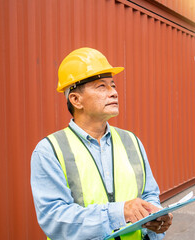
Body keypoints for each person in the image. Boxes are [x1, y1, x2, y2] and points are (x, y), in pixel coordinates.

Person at [31, 47, 173, 240]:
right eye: (101, 87)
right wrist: (119, 213)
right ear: (75, 99)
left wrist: (155, 218)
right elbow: (55, 219)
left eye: (113, 85)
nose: (114, 92)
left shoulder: (131, 141)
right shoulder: (49, 151)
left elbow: (149, 194)